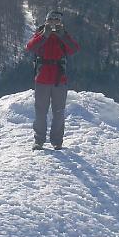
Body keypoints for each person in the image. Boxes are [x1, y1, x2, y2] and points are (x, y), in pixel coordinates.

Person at [26, 10, 80, 150]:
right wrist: (44, 35)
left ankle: (57, 141)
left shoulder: (63, 35)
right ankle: (39, 140)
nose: (53, 23)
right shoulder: (41, 34)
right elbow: (30, 47)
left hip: (59, 80)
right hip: (42, 79)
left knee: (59, 112)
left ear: (61, 23)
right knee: (40, 112)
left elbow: (74, 49)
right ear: (46, 21)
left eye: (57, 20)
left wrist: (63, 36)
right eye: (51, 20)